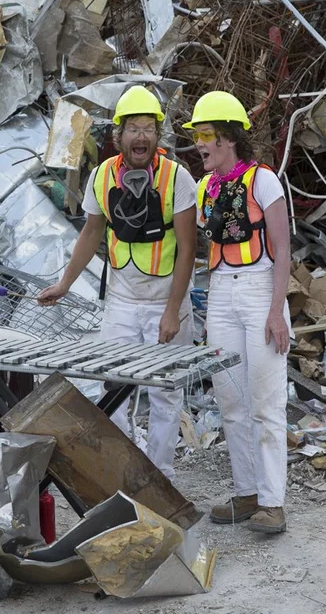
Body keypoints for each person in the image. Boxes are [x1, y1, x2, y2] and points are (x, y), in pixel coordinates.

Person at [38, 85, 198, 479]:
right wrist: (64, 284)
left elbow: (188, 249)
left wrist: (173, 311)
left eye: (149, 129)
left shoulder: (176, 178)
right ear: (119, 135)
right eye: (133, 129)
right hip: (122, 301)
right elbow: (91, 232)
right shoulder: (102, 175)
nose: (141, 137)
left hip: (166, 301)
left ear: (157, 136)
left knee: (164, 392)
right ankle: (125, 472)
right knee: (113, 387)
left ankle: (159, 477)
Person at [185, 91, 292, 534]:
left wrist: (276, 311)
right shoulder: (205, 188)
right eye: (197, 135)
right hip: (221, 292)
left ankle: (272, 502)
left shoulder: (264, 181)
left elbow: (283, 249)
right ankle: (247, 492)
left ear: (228, 138)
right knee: (231, 398)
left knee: (266, 400)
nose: (199, 144)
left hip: (260, 286)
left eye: (205, 134)